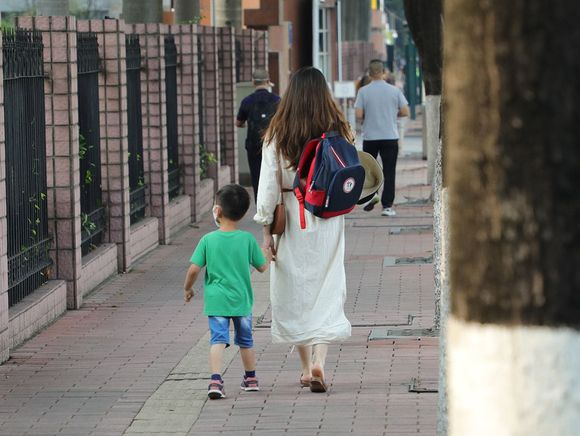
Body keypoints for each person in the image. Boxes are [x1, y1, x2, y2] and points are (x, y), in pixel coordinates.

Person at [254, 67, 353, 393]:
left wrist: (266, 229)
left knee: (293, 290)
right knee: (327, 285)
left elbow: (268, 185)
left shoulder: (277, 132)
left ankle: (304, 366)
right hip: (328, 217)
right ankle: (319, 362)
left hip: (292, 219)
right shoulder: (337, 128)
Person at [183, 184, 272, 400]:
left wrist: (188, 288)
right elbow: (261, 267)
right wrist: (267, 252)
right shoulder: (247, 239)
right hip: (241, 301)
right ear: (242, 214)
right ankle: (251, 379)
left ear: (218, 211)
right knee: (246, 340)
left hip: (217, 302)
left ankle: (215, 380)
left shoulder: (208, 240)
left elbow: (194, 269)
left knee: (218, 340)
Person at [355, 59, 409, 216]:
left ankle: (372, 196)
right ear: (383, 72)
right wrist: (393, 114)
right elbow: (405, 111)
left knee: (371, 170)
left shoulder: (363, 91)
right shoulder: (394, 91)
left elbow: (358, 115)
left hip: (370, 136)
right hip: (390, 136)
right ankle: (387, 206)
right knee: (389, 171)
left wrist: (369, 115)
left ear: (370, 74)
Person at [236, 69, 281, 202]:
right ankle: (274, 202)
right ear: (268, 82)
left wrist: (245, 125)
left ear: (253, 82)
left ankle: (260, 204)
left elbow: (238, 122)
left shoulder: (247, 101)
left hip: (253, 145)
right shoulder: (277, 100)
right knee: (273, 174)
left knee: (256, 176)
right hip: (272, 144)